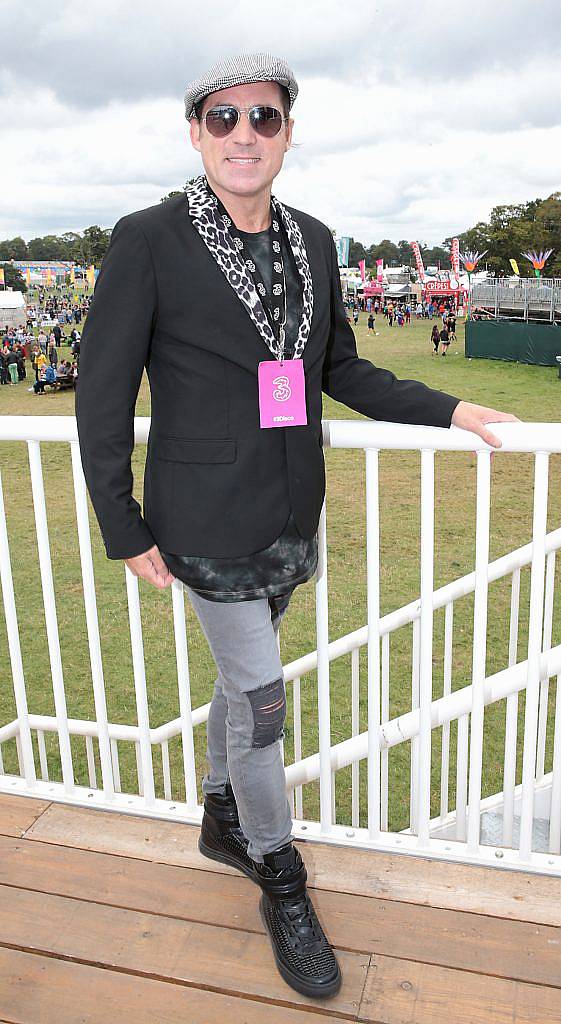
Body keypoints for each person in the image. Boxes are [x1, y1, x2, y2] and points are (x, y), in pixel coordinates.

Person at [75, 52, 516, 1002]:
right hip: (199, 517)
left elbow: (339, 371)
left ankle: (220, 814)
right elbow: (103, 393)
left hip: (287, 508)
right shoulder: (147, 238)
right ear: (195, 133)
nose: (244, 135)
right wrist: (122, 521)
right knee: (264, 701)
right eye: (223, 118)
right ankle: (280, 875)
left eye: (263, 119)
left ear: (286, 133)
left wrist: (453, 411)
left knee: (243, 684)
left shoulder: (314, 241)